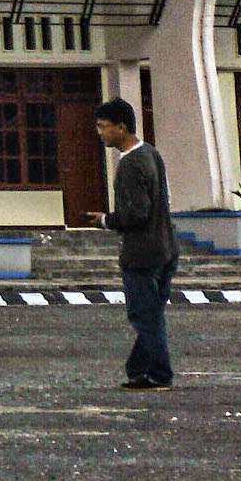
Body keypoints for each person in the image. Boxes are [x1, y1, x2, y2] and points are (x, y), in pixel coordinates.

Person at [95, 98, 176, 390]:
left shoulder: (130, 164)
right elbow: (163, 201)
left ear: (121, 127)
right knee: (151, 314)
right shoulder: (152, 154)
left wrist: (106, 220)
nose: (100, 132)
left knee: (145, 316)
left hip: (143, 253)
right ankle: (138, 369)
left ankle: (159, 374)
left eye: (104, 127)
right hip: (166, 247)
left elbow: (137, 213)